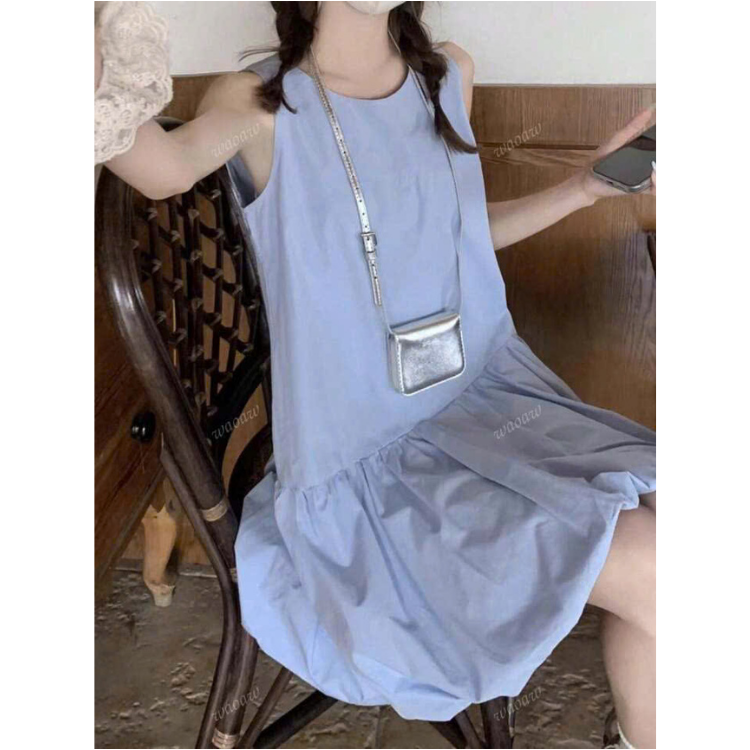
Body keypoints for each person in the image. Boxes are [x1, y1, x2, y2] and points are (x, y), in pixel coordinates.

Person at [96, 3, 656, 747]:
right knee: (662, 571)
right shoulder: (261, 105)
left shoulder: (448, 75)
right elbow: (160, 169)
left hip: (489, 406)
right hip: (369, 470)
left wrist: (586, 187)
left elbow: (458, 238)